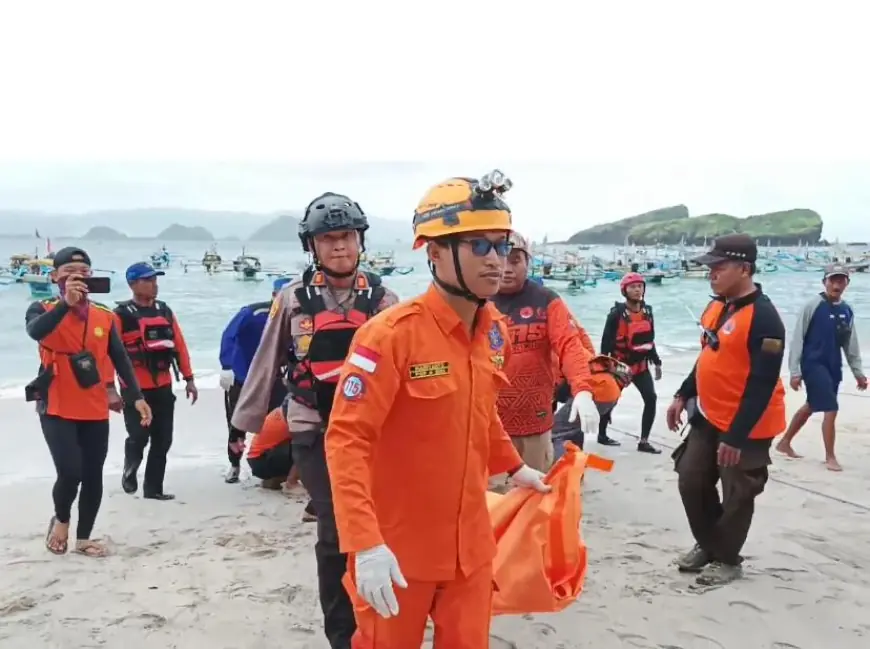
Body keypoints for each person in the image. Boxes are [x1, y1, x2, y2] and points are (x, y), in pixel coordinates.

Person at [325, 171, 550, 648]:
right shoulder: (389, 337)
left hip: (470, 547)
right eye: (478, 247)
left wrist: (513, 467)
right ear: (435, 252)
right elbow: (347, 441)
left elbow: (480, 412)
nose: (497, 261)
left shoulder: (494, 332)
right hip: (397, 550)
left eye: (502, 245)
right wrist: (365, 543)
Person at [231, 193, 399, 649]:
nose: (339, 247)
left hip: (371, 431)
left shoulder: (385, 300)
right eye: (328, 238)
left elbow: (403, 367)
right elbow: (267, 361)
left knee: (377, 525)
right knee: (334, 526)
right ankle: (341, 635)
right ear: (313, 246)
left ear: (360, 240)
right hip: (312, 426)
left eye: (346, 236)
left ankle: (379, 619)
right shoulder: (292, 300)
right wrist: (245, 424)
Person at [666, 234, 786, 586]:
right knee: (691, 478)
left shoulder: (765, 319)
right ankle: (709, 544)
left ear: (744, 269)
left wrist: (736, 435)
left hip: (748, 424)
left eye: (719, 267)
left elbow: (763, 383)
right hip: (708, 413)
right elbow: (708, 354)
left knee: (738, 493)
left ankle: (728, 559)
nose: (711, 273)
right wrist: (681, 394)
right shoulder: (718, 306)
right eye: (710, 266)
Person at [24, 246, 152, 557]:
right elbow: (34, 332)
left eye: (81, 274)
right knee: (71, 471)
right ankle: (62, 519)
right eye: (67, 274)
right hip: (55, 404)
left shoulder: (105, 316)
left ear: (91, 277)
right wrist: (65, 305)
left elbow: (120, 359)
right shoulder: (41, 307)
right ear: (55, 277)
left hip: (94, 406)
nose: (75, 280)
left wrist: (136, 397)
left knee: (93, 473)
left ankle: (83, 538)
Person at [491, 231, 597, 475]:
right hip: (489, 424)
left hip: (535, 423)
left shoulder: (546, 300)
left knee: (533, 501)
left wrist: (582, 389)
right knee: (493, 502)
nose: (507, 268)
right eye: (501, 258)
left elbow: (569, 344)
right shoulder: (478, 301)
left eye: (515, 260)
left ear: (528, 262)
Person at [115, 262, 198, 500]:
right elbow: (111, 353)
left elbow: (179, 346)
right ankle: (130, 468)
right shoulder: (121, 316)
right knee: (139, 437)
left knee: (163, 440)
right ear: (133, 284)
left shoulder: (164, 311)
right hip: (135, 391)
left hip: (163, 386)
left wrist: (189, 378)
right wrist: (109, 388)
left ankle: (153, 489)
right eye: (148, 280)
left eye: (155, 279)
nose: (154, 284)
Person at [776, 264, 867, 470]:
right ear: (824, 282)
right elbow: (797, 339)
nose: (836, 284)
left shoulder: (847, 310)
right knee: (831, 408)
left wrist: (858, 373)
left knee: (812, 405)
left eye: (841, 280)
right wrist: (795, 371)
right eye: (832, 280)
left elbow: (850, 344)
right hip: (812, 364)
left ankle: (784, 442)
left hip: (833, 365)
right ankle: (830, 456)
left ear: (847, 283)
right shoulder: (813, 306)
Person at [220, 276, 292, 483]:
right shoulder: (252, 312)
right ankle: (234, 465)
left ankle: (276, 468)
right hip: (244, 376)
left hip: (275, 379)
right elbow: (228, 336)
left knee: (279, 423)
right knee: (236, 423)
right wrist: (226, 367)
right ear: (273, 295)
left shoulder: (297, 317)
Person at [599, 272, 662, 453]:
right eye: (633, 287)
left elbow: (649, 340)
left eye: (640, 286)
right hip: (619, 366)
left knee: (651, 398)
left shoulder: (648, 311)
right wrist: (604, 367)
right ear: (624, 291)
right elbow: (606, 342)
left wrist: (656, 362)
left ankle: (644, 441)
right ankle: (602, 435)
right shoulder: (616, 314)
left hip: (641, 366)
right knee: (609, 399)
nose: (637, 290)